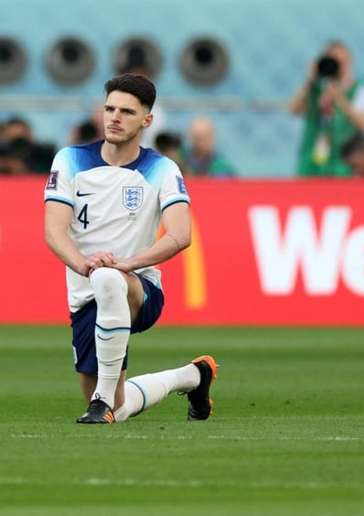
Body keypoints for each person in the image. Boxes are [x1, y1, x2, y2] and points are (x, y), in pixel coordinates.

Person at [43, 73, 217, 424]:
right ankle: (193, 377)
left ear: (146, 120)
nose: (115, 117)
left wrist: (126, 264)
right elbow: (53, 230)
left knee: (109, 279)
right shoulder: (69, 160)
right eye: (109, 108)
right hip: (84, 291)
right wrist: (84, 264)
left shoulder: (162, 169)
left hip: (140, 289)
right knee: (120, 410)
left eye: (126, 111)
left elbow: (181, 235)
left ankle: (100, 402)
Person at [289, 41, 364, 176]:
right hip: (313, 163)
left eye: (340, 62)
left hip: (345, 163)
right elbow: (293, 110)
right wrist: (310, 80)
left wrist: (340, 98)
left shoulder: (360, 89)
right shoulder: (314, 88)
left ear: (349, 63)